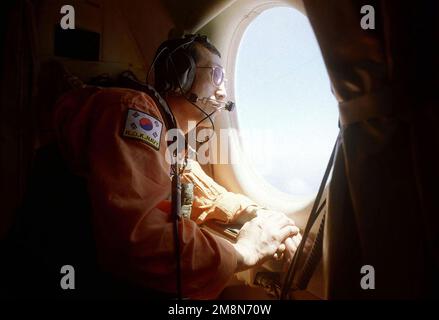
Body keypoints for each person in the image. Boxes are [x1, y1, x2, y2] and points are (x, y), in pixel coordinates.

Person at [53, 34, 301, 299]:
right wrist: (243, 252)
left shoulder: (172, 141)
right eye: (216, 76)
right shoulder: (134, 112)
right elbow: (138, 239)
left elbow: (203, 193)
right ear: (180, 76)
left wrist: (259, 215)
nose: (223, 92)